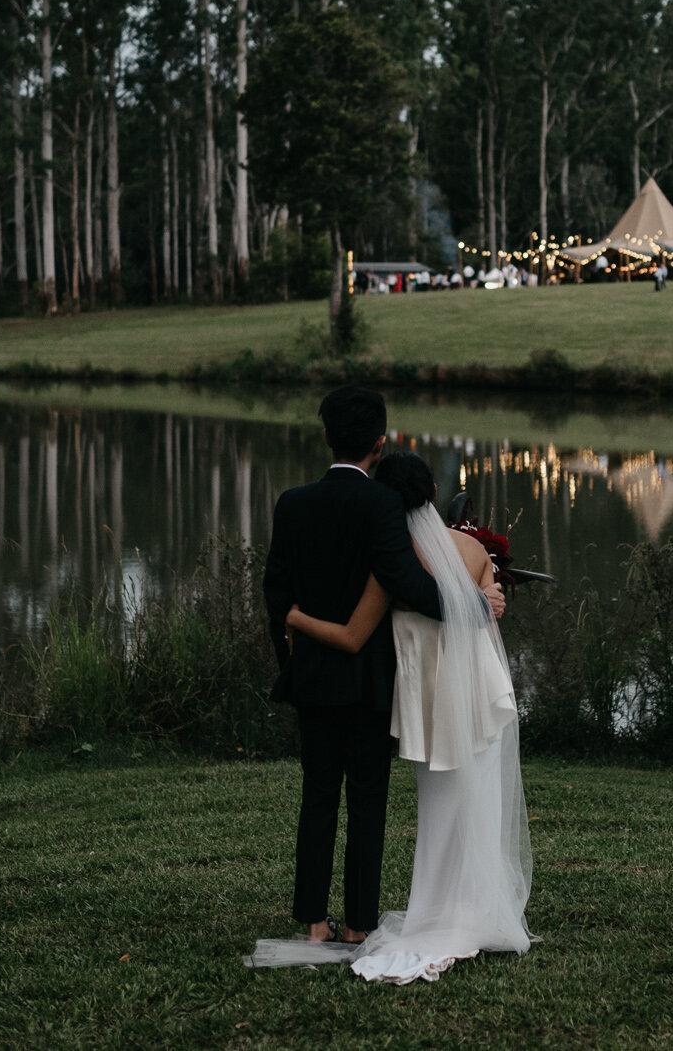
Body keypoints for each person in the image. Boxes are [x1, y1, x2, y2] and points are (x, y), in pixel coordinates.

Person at [249, 452, 531, 984]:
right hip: (480, 696)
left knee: (431, 809)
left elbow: (359, 631)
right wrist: (486, 601)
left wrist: (293, 618)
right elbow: (489, 617)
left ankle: (430, 915)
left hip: (434, 707)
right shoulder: (470, 548)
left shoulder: (396, 557)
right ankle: (472, 909)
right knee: (474, 803)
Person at [253, 388, 450, 955]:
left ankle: (314, 921)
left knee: (317, 797)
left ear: (325, 437)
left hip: (312, 677)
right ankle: (360, 923)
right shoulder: (383, 506)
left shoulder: (292, 503)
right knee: (367, 801)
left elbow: (277, 594)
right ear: (380, 443)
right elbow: (408, 585)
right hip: (368, 682)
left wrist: (288, 663)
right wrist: (468, 605)